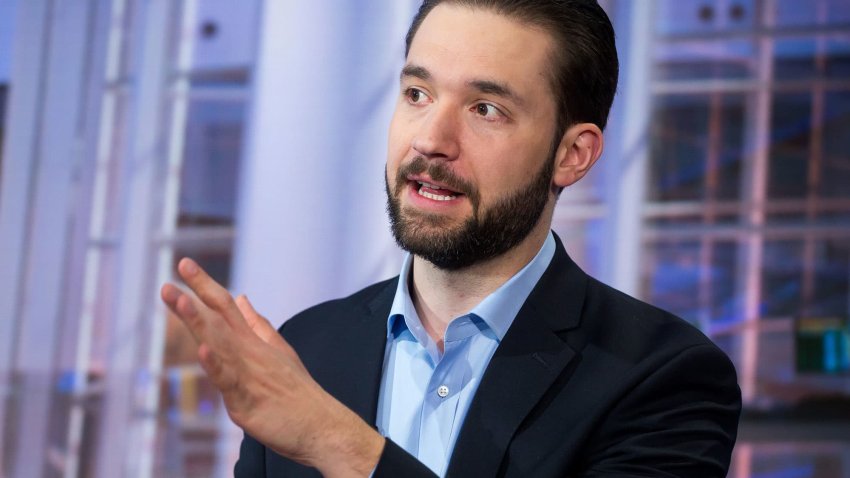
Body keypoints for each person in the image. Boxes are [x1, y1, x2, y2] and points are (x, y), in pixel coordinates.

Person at [160, 0, 742, 476]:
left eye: (485, 109)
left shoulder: (664, 377)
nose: (431, 140)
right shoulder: (308, 348)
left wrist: (338, 443)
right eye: (417, 94)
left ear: (572, 154)